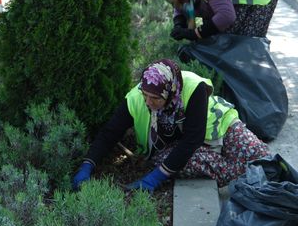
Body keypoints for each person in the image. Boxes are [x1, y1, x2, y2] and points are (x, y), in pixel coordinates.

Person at [72, 59, 270, 192]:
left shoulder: (194, 87)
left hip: (218, 127)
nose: (148, 103)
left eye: (155, 98)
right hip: (176, 149)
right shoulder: (135, 99)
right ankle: (242, 172)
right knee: (167, 162)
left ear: (171, 91)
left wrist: (155, 179)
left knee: (264, 159)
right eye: (145, 96)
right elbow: (110, 133)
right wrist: (88, 164)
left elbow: (193, 137)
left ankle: (257, 172)